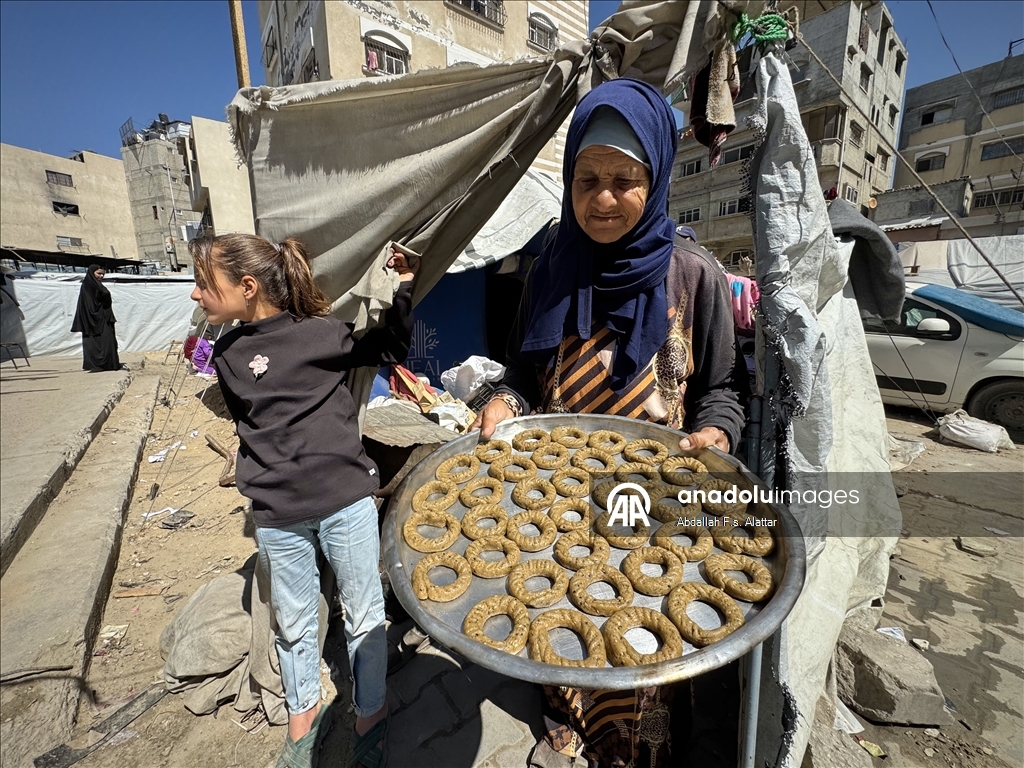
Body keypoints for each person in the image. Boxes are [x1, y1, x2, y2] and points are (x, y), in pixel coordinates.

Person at [470, 79, 745, 768]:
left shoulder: (693, 276)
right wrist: (504, 403)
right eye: (586, 180)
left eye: (625, 181)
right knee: (565, 623)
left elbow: (722, 391)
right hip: (556, 505)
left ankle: (635, 749)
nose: (602, 199)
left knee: (642, 638)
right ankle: (572, 724)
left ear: (656, 178)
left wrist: (715, 435)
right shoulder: (550, 272)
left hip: (655, 508)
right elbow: (522, 374)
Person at [189, 233, 418, 768]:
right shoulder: (227, 354)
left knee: (364, 615)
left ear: (247, 287)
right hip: (277, 516)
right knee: (292, 624)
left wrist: (404, 286)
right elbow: (250, 423)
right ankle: (303, 717)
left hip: (346, 502)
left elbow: (389, 348)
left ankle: (370, 712)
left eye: (204, 283)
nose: (196, 295)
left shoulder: (322, 333)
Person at [71, 264, 121, 371]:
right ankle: (98, 365)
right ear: (91, 273)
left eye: (103, 274)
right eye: (99, 273)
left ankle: (107, 364)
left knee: (108, 341)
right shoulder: (89, 285)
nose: (101, 276)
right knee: (99, 341)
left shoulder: (94, 285)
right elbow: (94, 302)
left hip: (101, 317)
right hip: (93, 319)